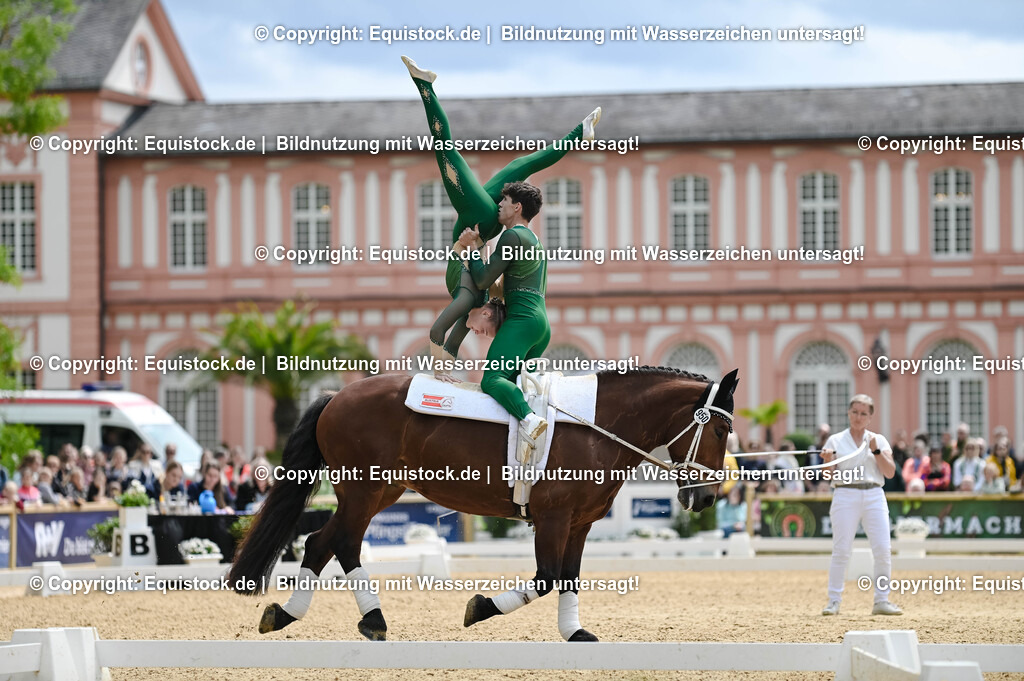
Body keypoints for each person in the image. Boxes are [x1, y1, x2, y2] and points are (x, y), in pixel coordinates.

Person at [402, 55, 600, 380]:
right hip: (481, 219)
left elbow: (443, 332)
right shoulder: (471, 297)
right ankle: (425, 86)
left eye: (480, 330)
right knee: (488, 160)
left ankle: (425, 86)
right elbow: (447, 336)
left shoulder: (470, 297)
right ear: (488, 313)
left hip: (480, 221)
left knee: (495, 159)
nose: (479, 332)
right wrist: (442, 367)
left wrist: (441, 369)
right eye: (486, 330)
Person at [458, 182, 552, 453]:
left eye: (504, 200)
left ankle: (531, 421)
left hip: (522, 320)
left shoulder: (513, 237)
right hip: (540, 324)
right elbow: (501, 282)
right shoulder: (535, 241)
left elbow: (483, 278)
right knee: (516, 388)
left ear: (517, 207)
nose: (499, 205)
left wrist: (471, 250)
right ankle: (519, 449)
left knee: (492, 379)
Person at [820, 394, 902, 617]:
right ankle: (834, 600)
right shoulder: (835, 441)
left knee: (883, 549)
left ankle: (882, 600)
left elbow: (889, 472)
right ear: (849, 413)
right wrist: (827, 460)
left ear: (870, 417)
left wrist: (875, 450)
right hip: (845, 493)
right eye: (855, 412)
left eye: (863, 413)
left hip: (874, 493)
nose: (858, 417)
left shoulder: (878, 440)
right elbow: (828, 475)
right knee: (841, 550)